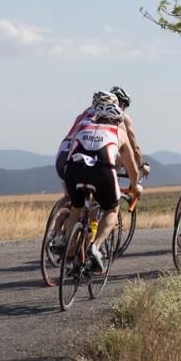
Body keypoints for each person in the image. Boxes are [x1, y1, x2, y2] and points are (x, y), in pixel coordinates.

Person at [62, 99, 143, 273]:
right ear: (117, 120)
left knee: (76, 209)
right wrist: (135, 186)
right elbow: (132, 169)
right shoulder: (118, 132)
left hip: (73, 170)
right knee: (112, 210)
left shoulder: (83, 127)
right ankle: (95, 247)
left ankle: (68, 252)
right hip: (102, 172)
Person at [109, 86, 149, 177]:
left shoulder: (94, 114)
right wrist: (141, 165)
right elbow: (135, 148)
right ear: (122, 104)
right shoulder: (123, 117)